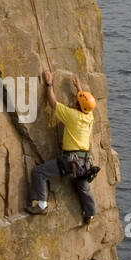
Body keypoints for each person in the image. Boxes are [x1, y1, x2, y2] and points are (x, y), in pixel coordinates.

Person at [27, 69, 99, 223]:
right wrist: (79, 88)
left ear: (78, 105)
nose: (74, 101)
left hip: (70, 161)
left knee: (39, 172)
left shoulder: (72, 116)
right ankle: (90, 214)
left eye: (76, 100)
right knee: (83, 186)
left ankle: (41, 205)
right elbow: (85, 104)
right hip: (84, 162)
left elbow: (53, 103)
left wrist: (49, 83)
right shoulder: (89, 117)